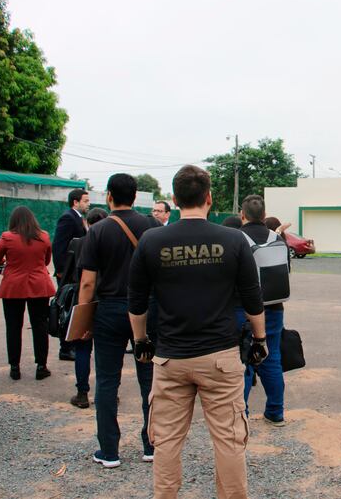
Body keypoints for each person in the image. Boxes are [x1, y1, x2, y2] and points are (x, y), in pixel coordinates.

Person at [128, 165, 267, 499]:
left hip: (170, 358)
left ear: (174, 200)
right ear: (209, 197)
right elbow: (252, 299)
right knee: (230, 440)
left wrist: (141, 341)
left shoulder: (152, 240)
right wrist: (260, 339)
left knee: (166, 441)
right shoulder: (233, 239)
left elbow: (136, 302)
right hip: (220, 357)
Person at [78, 173, 161, 468]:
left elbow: (88, 283)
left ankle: (109, 450)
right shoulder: (153, 227)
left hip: (109, 311)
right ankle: (151, 444)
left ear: (109, 196)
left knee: (107, 380)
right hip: (147, 309)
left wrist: (84, 319)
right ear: (136, 196)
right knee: (149, 378)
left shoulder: (97, 231)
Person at [0, 206, 55, 380]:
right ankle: (41, 366)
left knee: (13, 326)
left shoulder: (7, 237)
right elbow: (46, 260)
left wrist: (7, 262)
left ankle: (15, 367)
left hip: (13, 286)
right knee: (40, 325)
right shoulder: (44, 236)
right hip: (39, 285)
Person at [240, 196, 290, 426]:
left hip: (247, 309)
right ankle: (276, 412)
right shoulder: (277, 238)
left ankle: (243, 413)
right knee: (273, 359)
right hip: (275, 306)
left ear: (243, 215)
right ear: (264, 214)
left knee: (245, 360)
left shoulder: (238, 238)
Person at [69, 207, 108, 409]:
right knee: (106, 351)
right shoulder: (114, 242)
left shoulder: (78, 243)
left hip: (84, 298)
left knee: (82, 347)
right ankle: (108, 392)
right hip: (107, 300)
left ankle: (82, 392)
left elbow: (68, 273)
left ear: (87, 223)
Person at [52, 188, 90, 361]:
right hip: (67, 274)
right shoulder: (68, 218)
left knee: (74, 309)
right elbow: (59, 246)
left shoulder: (79, 218)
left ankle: (70, 344)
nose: (88, 204)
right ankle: (65, 348)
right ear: (76, 202)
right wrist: (61, 270)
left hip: (75, 273)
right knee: (66, 309)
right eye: (85, 201)